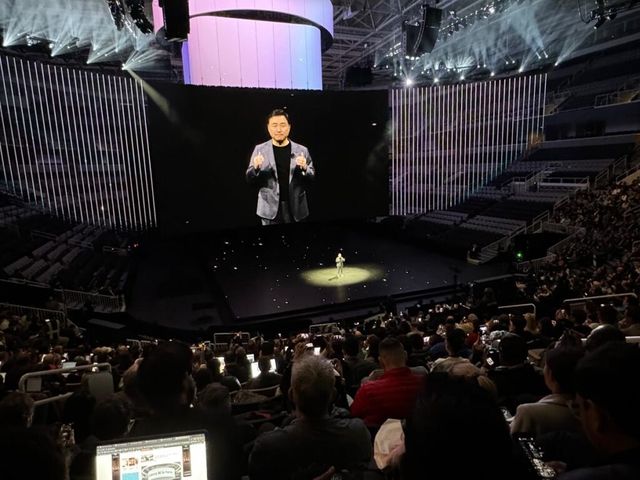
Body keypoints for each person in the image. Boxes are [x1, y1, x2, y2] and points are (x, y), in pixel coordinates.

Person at [246, 109, 315, 225]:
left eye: (283, 125)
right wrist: (256, 168)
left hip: (296, 207)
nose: (279, 129)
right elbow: (249, 179)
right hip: (269, 209)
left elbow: (312, 177)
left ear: (289, 127)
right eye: (274, 125)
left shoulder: (302, 150)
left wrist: (304, 168)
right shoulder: (260, 150)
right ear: (268, 128)